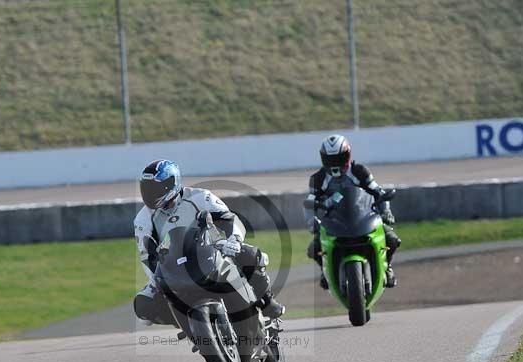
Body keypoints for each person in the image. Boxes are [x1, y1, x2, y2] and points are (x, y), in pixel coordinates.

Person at [133, 159, 285, 325]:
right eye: (146, 188)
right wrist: (157, 280)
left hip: (212, 250)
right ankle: (188, 323)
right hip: (175, 267)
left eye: (155, 188)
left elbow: (230, 219)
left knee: (252, 255)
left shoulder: (200, 197)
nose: (150, 193)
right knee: (143, 306)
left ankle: (268, 302)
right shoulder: (142, 219)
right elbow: (147, 256)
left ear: (172, 184)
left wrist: (233, 240)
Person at [304, 134, 401, 290]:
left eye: (339, 158)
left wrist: (386, 212)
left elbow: (379, 192)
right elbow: (309, 203)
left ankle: (387, 267)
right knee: (314, 249)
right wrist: (311, 222)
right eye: (330, 159)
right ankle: (325, 271)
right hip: (334, 222)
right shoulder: (318, 178)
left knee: (392, 239)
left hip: (364, 217)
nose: (335, 163)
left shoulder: (359, 171)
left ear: (348, 155)